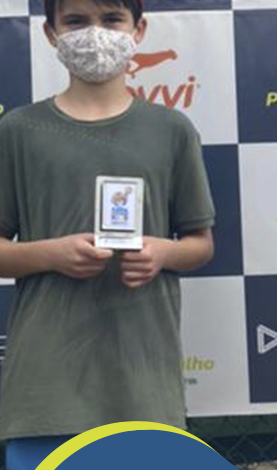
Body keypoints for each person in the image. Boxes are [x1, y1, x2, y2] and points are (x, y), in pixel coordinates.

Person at [0, 0, 215, 468]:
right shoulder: (16, 130)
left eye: (111, 19)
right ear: (51, 33)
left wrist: (163, 253)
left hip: (144, 381)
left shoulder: (172, 129)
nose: (94, 33)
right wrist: (50, 254)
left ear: (138, 30)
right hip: (45, 389)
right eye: (76, 20)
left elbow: (200, 245)